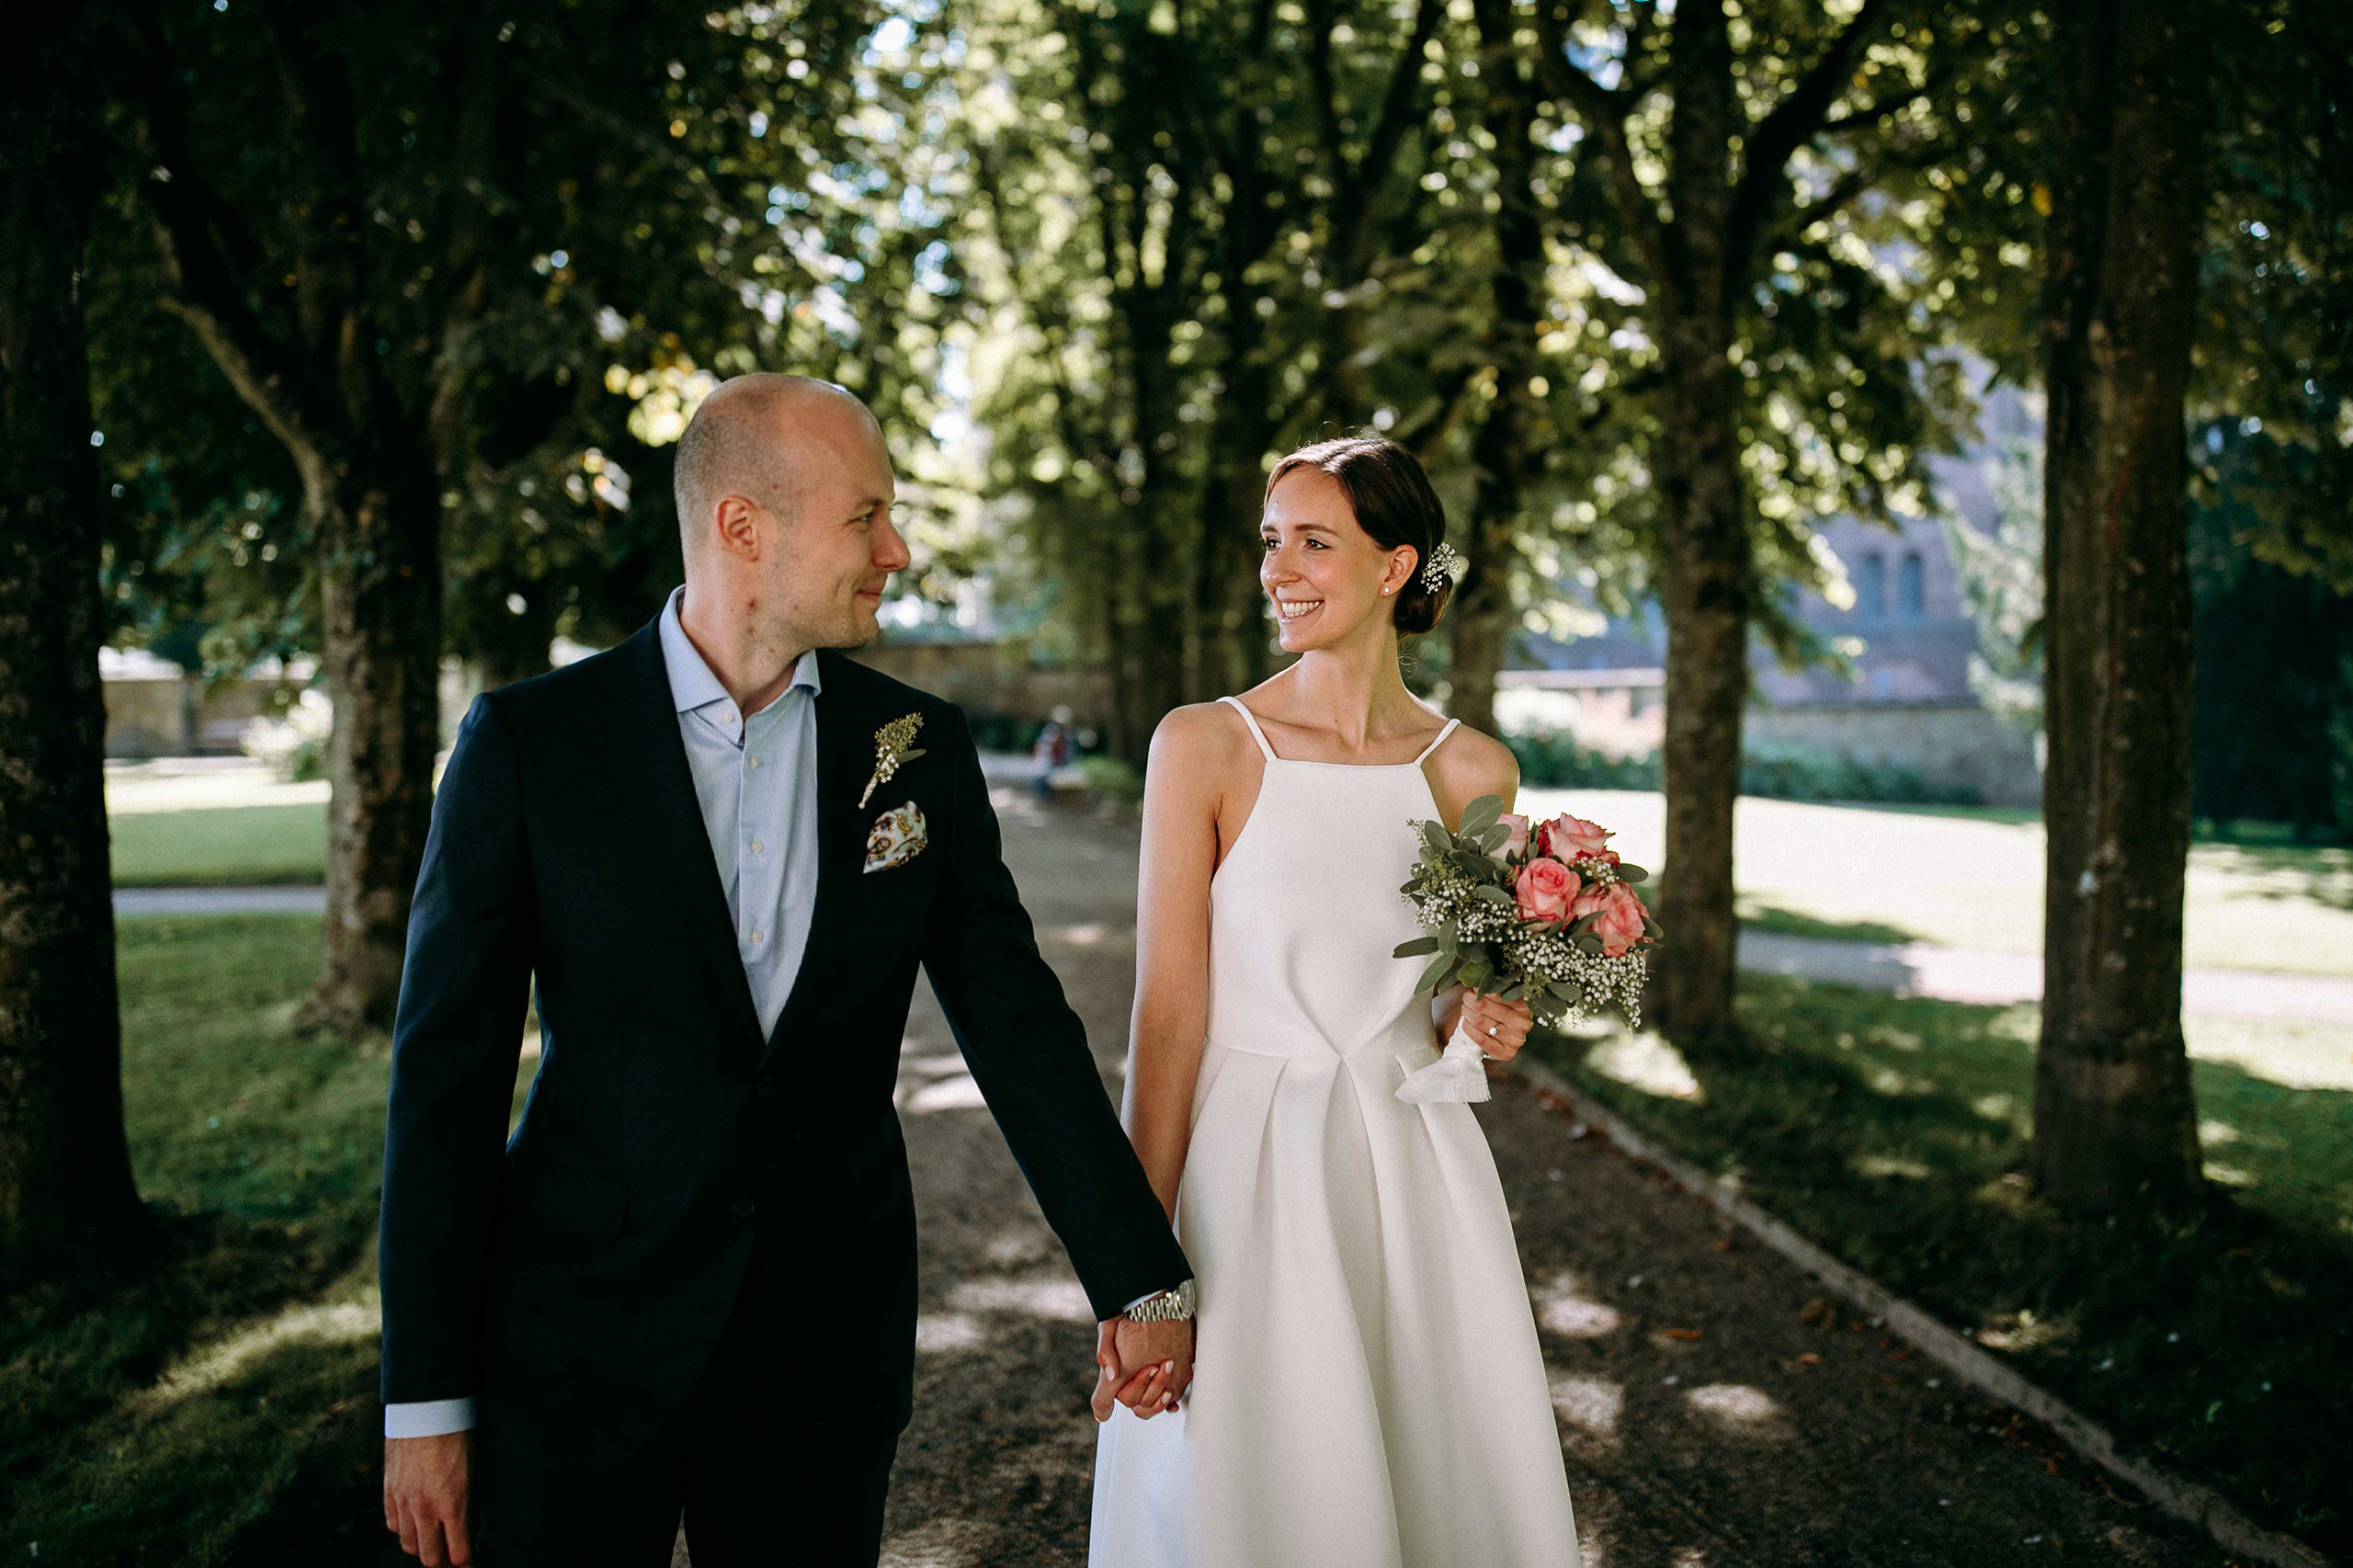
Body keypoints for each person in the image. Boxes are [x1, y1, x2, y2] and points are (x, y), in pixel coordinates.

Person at [377, 375, 1195, 1568]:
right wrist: (427, 1402)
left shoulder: (915, 749)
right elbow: (443, 1084)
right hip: (574, 1342)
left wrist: (1139, 1279)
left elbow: (1019, 1026)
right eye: (868, 515)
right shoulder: (532, 745)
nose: (898, 549)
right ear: (743, 527)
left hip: (822, 1345)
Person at [1088, 436, 1582, 1567]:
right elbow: (1164, 1021)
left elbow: (1458, 1009)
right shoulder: (1204, 745)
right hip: (1242, 1179)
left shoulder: (1474, 771)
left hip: (1412, 1178)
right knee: (1240, 1495)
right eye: (1272, 541)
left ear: (1395, 564)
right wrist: (1133, 1264)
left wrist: (1486, 1025)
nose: (1280, 568)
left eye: (1315, 541)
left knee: (1428, 1479)